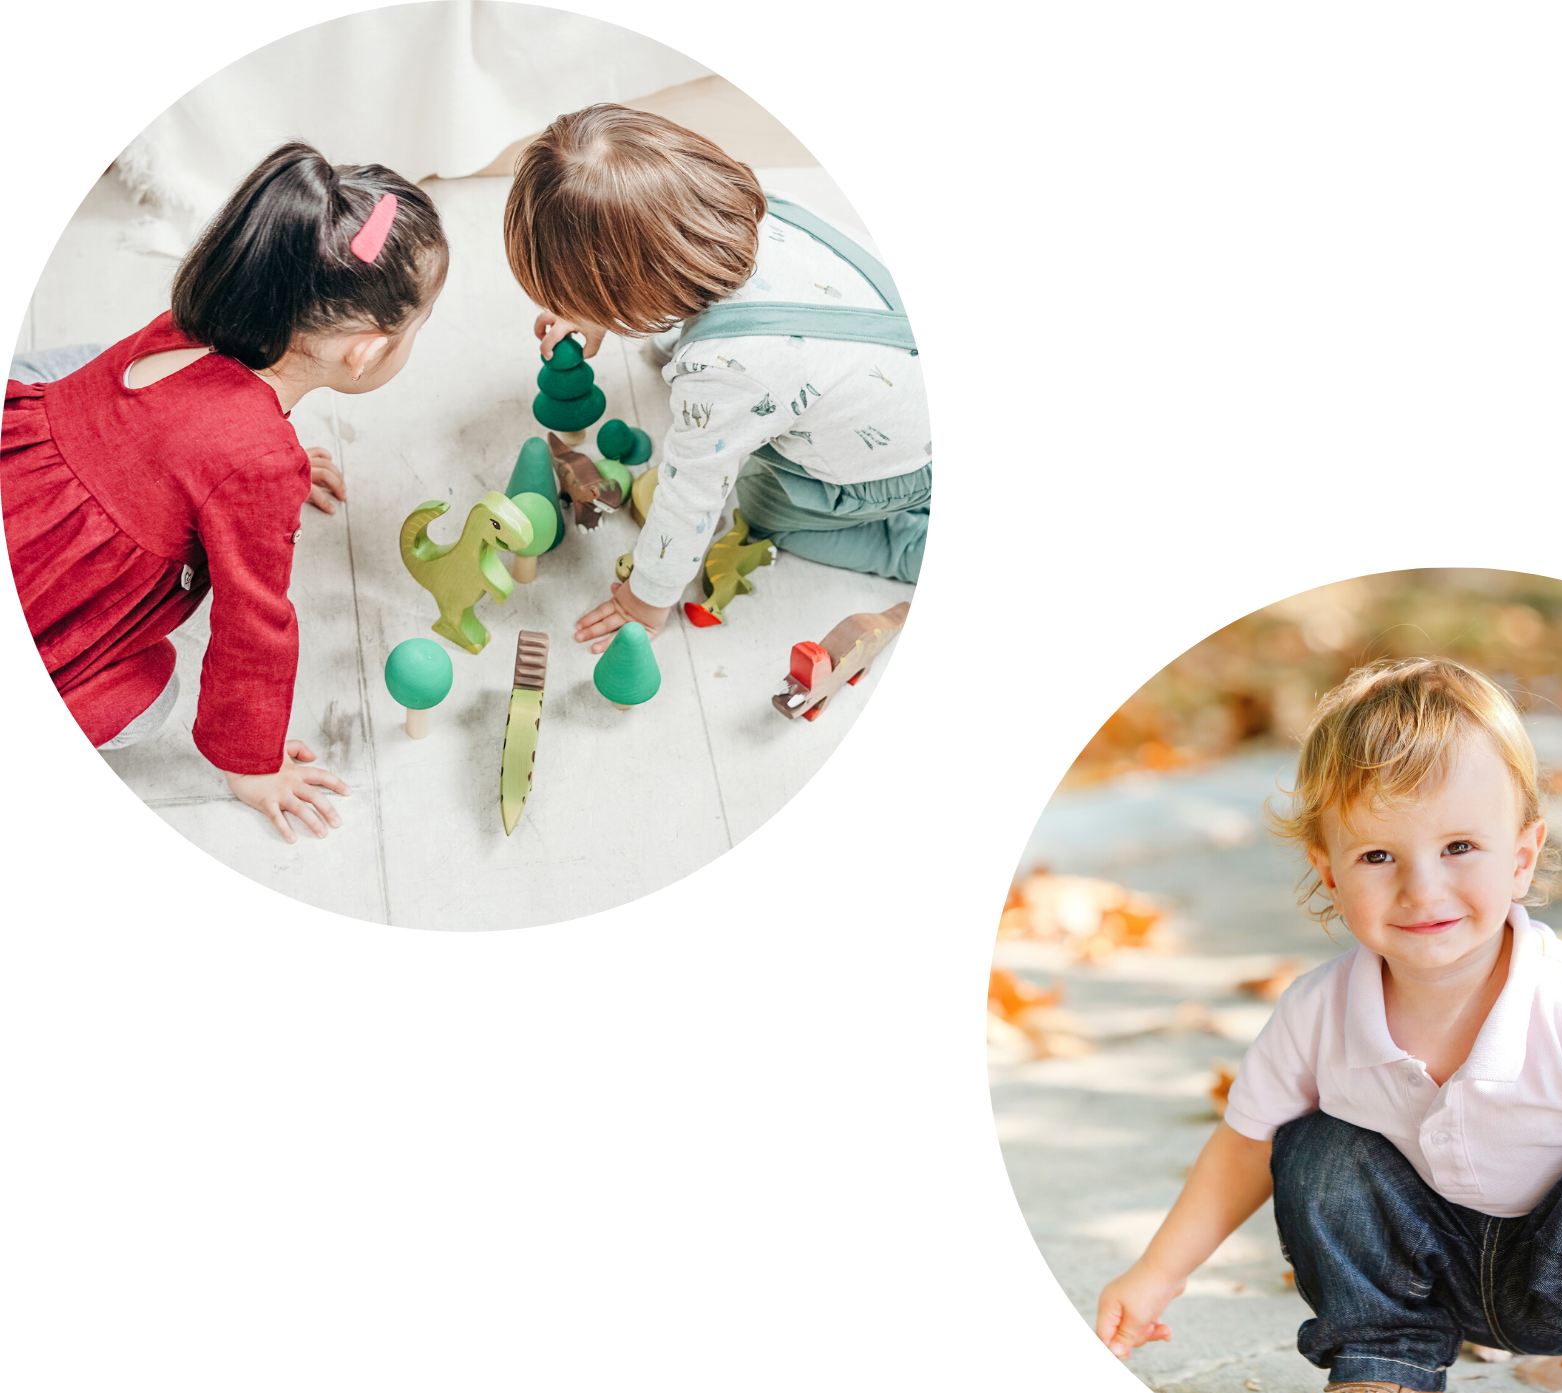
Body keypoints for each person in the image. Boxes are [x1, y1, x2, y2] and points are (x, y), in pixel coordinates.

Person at [1094, 658, 1562, 1393]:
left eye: (1460, 846)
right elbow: (1245, 1144)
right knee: (1318, 1149)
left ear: (1523, 856)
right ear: (1328, 870)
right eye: (1378, 858)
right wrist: (1154, 1275)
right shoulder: (1319, 1012)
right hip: (1432, 1268)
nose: (1423, 891)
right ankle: (1386, 1367)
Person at [3, 143, 447, 844]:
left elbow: (197, 424)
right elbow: (253, 626)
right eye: (416, 330)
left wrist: (268, 453)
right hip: (51, 601)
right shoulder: (259, 465)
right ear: (365, 351)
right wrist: (252, 764)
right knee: (150, 694)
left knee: (77, 363)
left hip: (26, 476)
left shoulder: (191, 323)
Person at [499, 105, 928, 652]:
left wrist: (646, 599)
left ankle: (907, 547)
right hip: (892, 369)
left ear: (624, 292)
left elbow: (690, 496)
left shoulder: (725, 371)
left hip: (887, 473)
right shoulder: (750, 211)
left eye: (588, 299)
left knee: (765, 510)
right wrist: (592, 308)